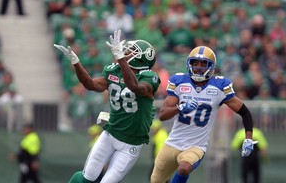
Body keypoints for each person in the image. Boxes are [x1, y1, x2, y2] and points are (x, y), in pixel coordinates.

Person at [54, 29, 161, 183]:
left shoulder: (149, 77)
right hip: (110, 134)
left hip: (131, 143)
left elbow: (135, 87)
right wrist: (76, 63)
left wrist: (121, 58)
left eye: (131, 51)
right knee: (86, 178)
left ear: (141, 58)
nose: (126, 52)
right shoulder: (114, 70)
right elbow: (91, 85)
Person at [150, 46, 257, 183]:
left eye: (203, 64)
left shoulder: (219, 86)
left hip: (196, 146)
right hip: (172, 143)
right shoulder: (179, 82)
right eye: (195, 63)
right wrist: (180, 107)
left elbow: (245, 112)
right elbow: (163, 114)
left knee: (184, 168)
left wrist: (248, 138)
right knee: (155, 180)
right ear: (190, 64)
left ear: (211, 66)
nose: (198, 67)